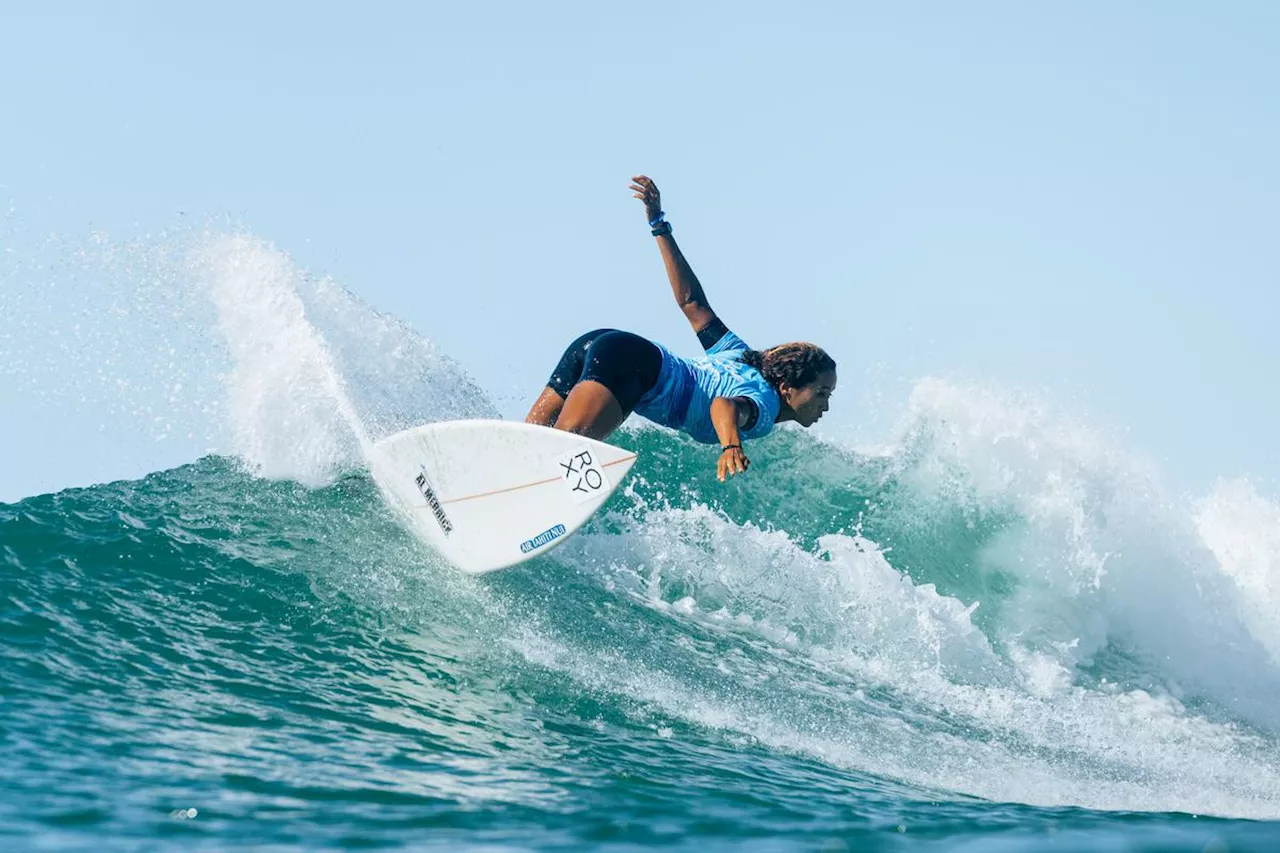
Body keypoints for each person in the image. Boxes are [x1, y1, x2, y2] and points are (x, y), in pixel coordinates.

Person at [525, 175, 837, 482]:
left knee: (529, 448)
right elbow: (722, 404)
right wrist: (731, 445)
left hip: (607, 344)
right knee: (561, 459)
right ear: (787, 388)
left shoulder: (740, 355)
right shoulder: (765, 408)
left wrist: (658, 224)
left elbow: (692, 303)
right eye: (821, 392)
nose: (825, 404)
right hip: (634, 369)